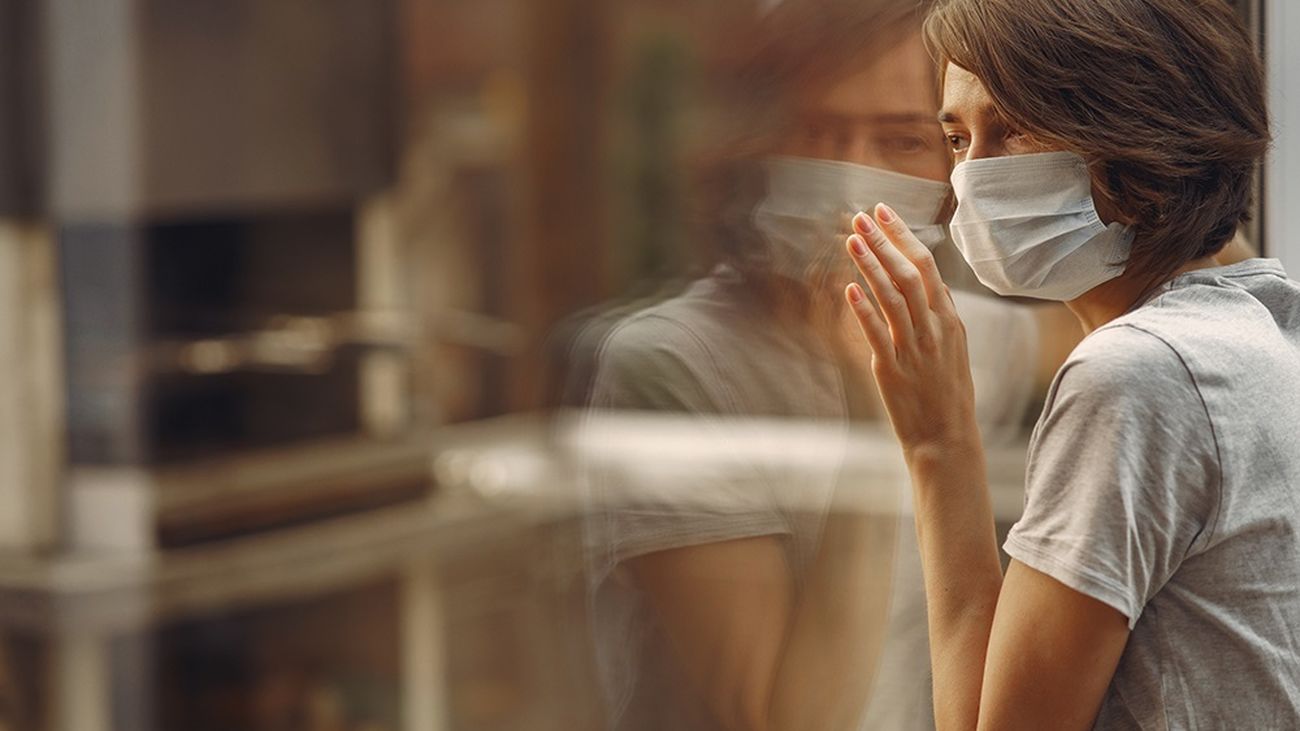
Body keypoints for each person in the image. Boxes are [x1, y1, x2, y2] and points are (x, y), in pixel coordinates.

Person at [578, 1, 1070, 730]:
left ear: (953, 166)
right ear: (760, 148)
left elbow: (1125, 314)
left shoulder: (947, 334)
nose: (850, 176)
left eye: (902, 139)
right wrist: (874, 406)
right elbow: (786, 718)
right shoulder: (670, 363)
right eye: (817, 132)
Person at [839, 0, 1299, 728]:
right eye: (957, 139)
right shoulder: (1266, 327)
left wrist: (939, 442)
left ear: (1137, 135)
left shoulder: (1136, 375)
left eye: (1015, 127)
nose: (972, 179)